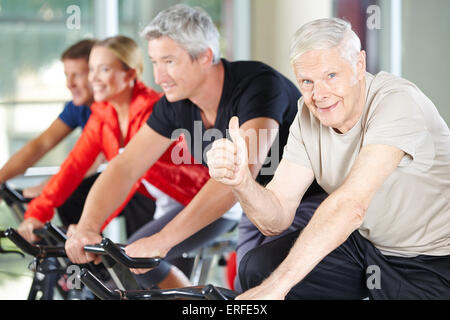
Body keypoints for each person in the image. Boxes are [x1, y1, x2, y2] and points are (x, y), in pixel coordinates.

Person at [64, 4, 326, 290]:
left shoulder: (259, 86)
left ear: (205, 56)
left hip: (310, 197)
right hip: (258, 204)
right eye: (154, 62)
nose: (159, 76)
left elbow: (238, 175)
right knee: (248, 285)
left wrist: (161, 241)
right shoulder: (175, 103)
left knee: (267, 277)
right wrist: (88, 226)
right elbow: (126, 167)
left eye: (169, 62)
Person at [207, 17, 450, 300]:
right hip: (368, 247)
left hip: (433, 258)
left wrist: (276, 288)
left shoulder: (397, 102)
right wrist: (242, 182)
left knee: (275, 282)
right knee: (258, 267)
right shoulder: (308, 116)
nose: (319, 94)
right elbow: (276, 216)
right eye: (307, 81)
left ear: (359, 65)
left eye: (331, 76)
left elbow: (351, 206)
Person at [18, 34, 210, 276]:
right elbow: (73, 168)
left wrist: (92, 227)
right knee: (143, 272)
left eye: (104, 69)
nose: (94, 79)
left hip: (199, 200)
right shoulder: (103, 116)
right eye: (92, 69)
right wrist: (36, 213)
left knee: (137, 264)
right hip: (164, 203)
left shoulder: (153, 110)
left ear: (130, 74)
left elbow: (128, 176)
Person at [0, 39, 103, 226]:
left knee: (70, 196)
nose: (69, 84)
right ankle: (84, 253)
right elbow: (40, 145)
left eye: (77, 75)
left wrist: (48, 187)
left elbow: (94, 161)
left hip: (142, 183)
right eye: (66, 75)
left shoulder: (110, 108)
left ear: (97, 74)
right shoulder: (77, 108)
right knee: (69, 200)